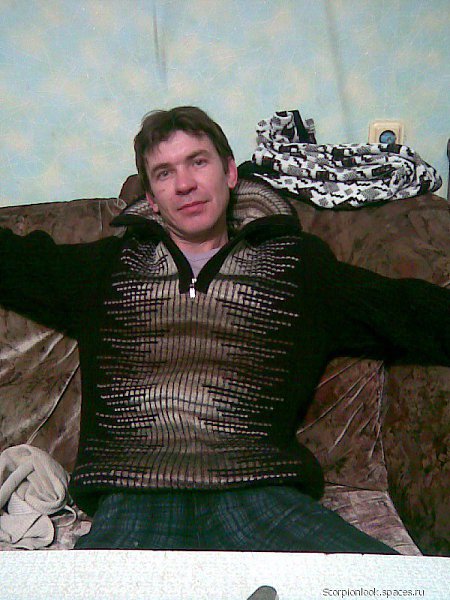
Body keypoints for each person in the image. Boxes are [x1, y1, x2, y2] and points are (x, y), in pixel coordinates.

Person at [0, 106, 449, 553]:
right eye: (164, 173)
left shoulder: (296, 268)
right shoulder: (107, 269)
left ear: (230, 173)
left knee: (388, 584)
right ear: (151, 198)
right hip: (137, 490)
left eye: (198, 162)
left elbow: (411, 311)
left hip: (256, 490)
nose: (184, 184)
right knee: (93, 587)